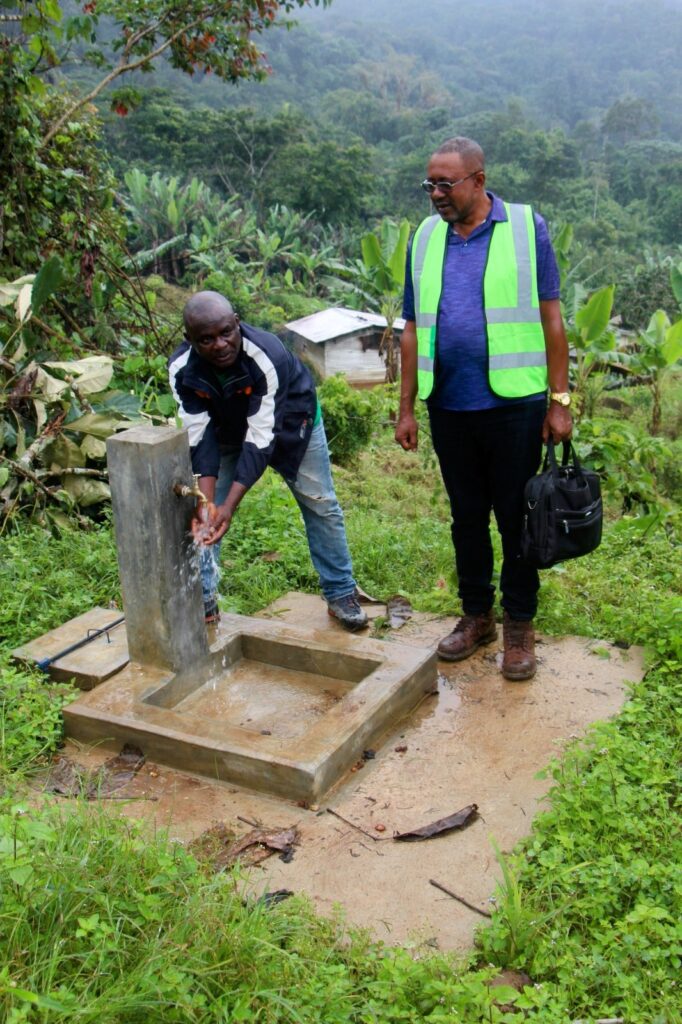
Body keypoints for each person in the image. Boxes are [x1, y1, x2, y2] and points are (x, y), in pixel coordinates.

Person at [395, 137, 572, 681]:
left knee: (516, 518)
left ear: (478, 179)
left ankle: (519, 623)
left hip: (514, 406)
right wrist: (405, 407)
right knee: (466, 518)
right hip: (448, 404)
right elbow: (412, 327)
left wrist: (560, 401)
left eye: (446, 184)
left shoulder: (524, 228)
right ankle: (477, 616)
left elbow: (551, 320)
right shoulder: (425, 237)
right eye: (430, 184)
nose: (436, 194)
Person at [168, 290, 368, 631]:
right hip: (226, 430)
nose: (219, 344)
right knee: (204, 511)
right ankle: (203, 600)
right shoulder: (181, 370)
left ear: (237, 324)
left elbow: (260, 441)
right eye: (206, 339)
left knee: (320, 503)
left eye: (225, 333)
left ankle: (341, 592)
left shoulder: (266, 355)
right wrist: (209, 504)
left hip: (292, 419)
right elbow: (200, 440)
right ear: (190, 340)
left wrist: (229, 506)